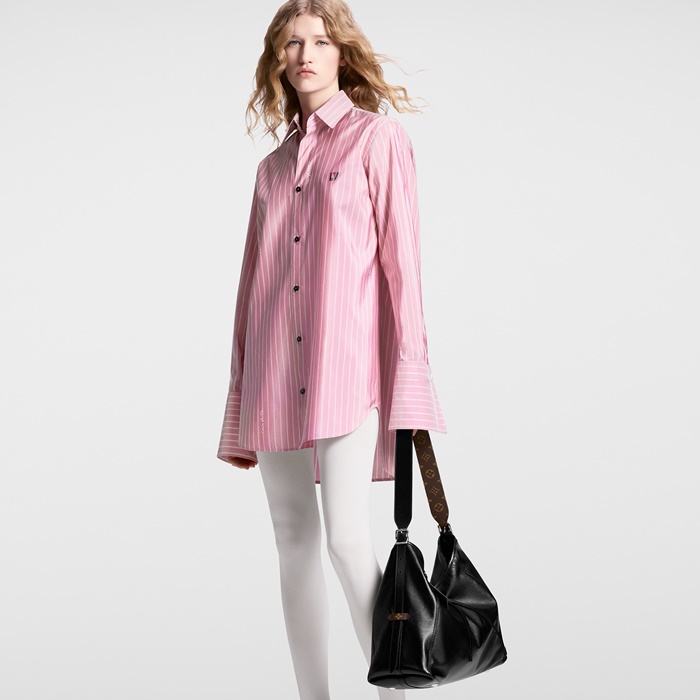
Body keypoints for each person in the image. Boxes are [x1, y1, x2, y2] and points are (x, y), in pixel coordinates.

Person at [216, 1, 447, 697]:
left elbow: (404, 271)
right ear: (279, 59)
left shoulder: (378, 141)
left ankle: (393, 691)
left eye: (319, 41)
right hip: (272, 372)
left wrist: (411, 382)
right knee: (292, 541)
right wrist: (239, 394)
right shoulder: (270, 169)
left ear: (341, 53)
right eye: (292, 43)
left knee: (348, 539)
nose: (306, 54)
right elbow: (251, 287)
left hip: (345, 373)